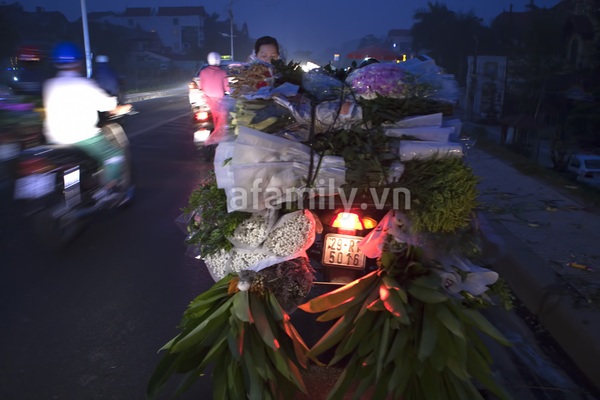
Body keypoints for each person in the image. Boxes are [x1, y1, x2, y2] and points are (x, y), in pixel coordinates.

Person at [43, 41, 132, 190]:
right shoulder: (84, 84)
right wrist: (122, 108)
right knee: (115, 155)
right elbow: (108, 105)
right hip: (83, 137)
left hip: (54, 138)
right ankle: (107, 190)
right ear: (78, 62)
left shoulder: (49, 84)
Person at [199, 51, 230, 134]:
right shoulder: (223, 72)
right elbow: (227, 89)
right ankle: (220, 132)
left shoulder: (203, 72)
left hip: (208, 100)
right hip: (220, 99)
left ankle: (216, 131)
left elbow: (201, 87)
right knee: (222, 117)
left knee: (215, 116)